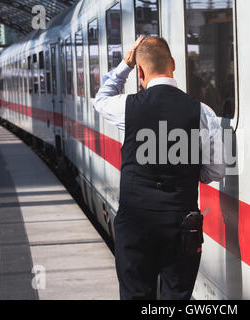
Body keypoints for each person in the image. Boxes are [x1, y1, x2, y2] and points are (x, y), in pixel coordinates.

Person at [93, 36, 225, 300]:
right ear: (173, 64)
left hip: (136, 224)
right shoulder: (203, 112)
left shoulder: (127, 107)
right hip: (181, 223)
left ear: (139, 71)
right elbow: (216, 171)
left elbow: (101, 98)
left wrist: (125, 65)